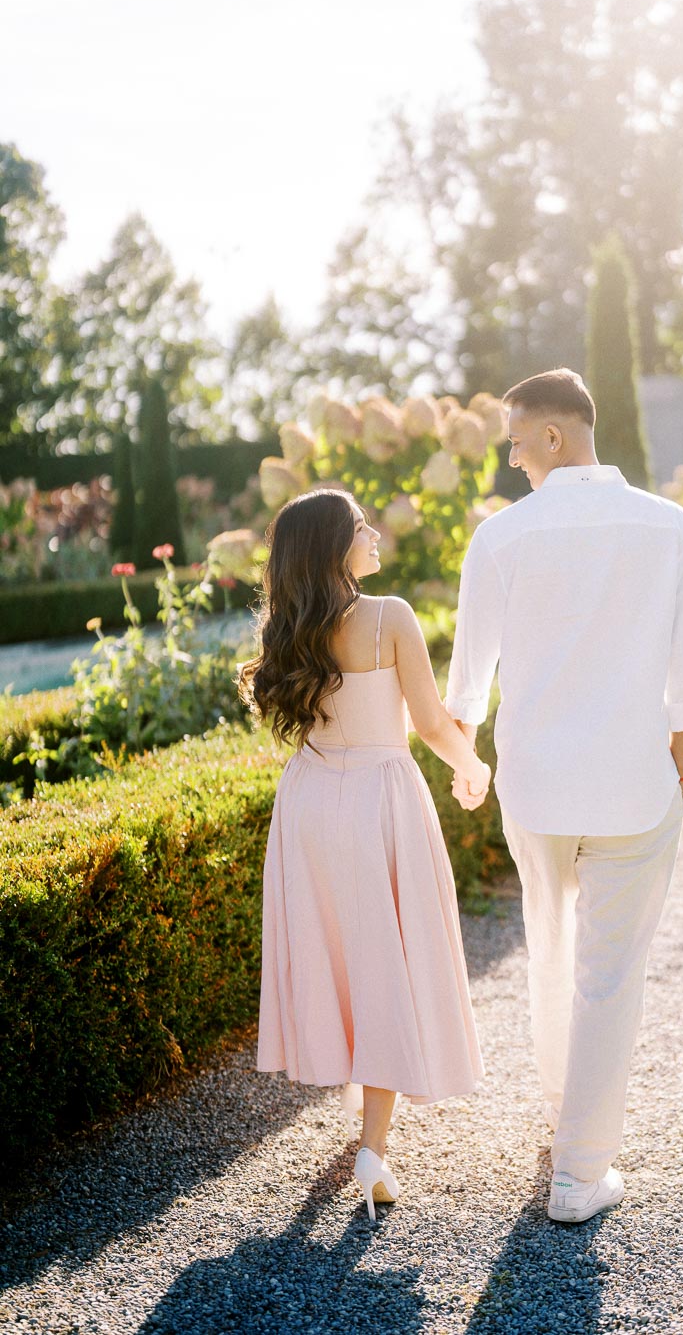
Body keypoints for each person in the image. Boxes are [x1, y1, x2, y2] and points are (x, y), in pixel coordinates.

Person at [445, 368, 683, 1223]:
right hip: (637, 782)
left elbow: (467, 687)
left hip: (536, 787)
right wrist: (680, 769)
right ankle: (578, 1173)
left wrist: (470, 760)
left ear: (555, 437)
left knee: (552, 948)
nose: (513, 462)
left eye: (518, 443)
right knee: (609, 974)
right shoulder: (670, 526)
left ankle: (564, 1121)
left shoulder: (501, 537)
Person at [239, 488, 489, 1221]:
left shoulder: (289, 631)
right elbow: (433, 723)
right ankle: (372, 1149)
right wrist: (473, 768)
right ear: (332, 548)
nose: (374, 534)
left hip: (311, 802)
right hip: (380, 798)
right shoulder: (390, 617)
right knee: (389, 961)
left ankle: (359, 1110)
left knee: (339, 954)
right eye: (360, 528)